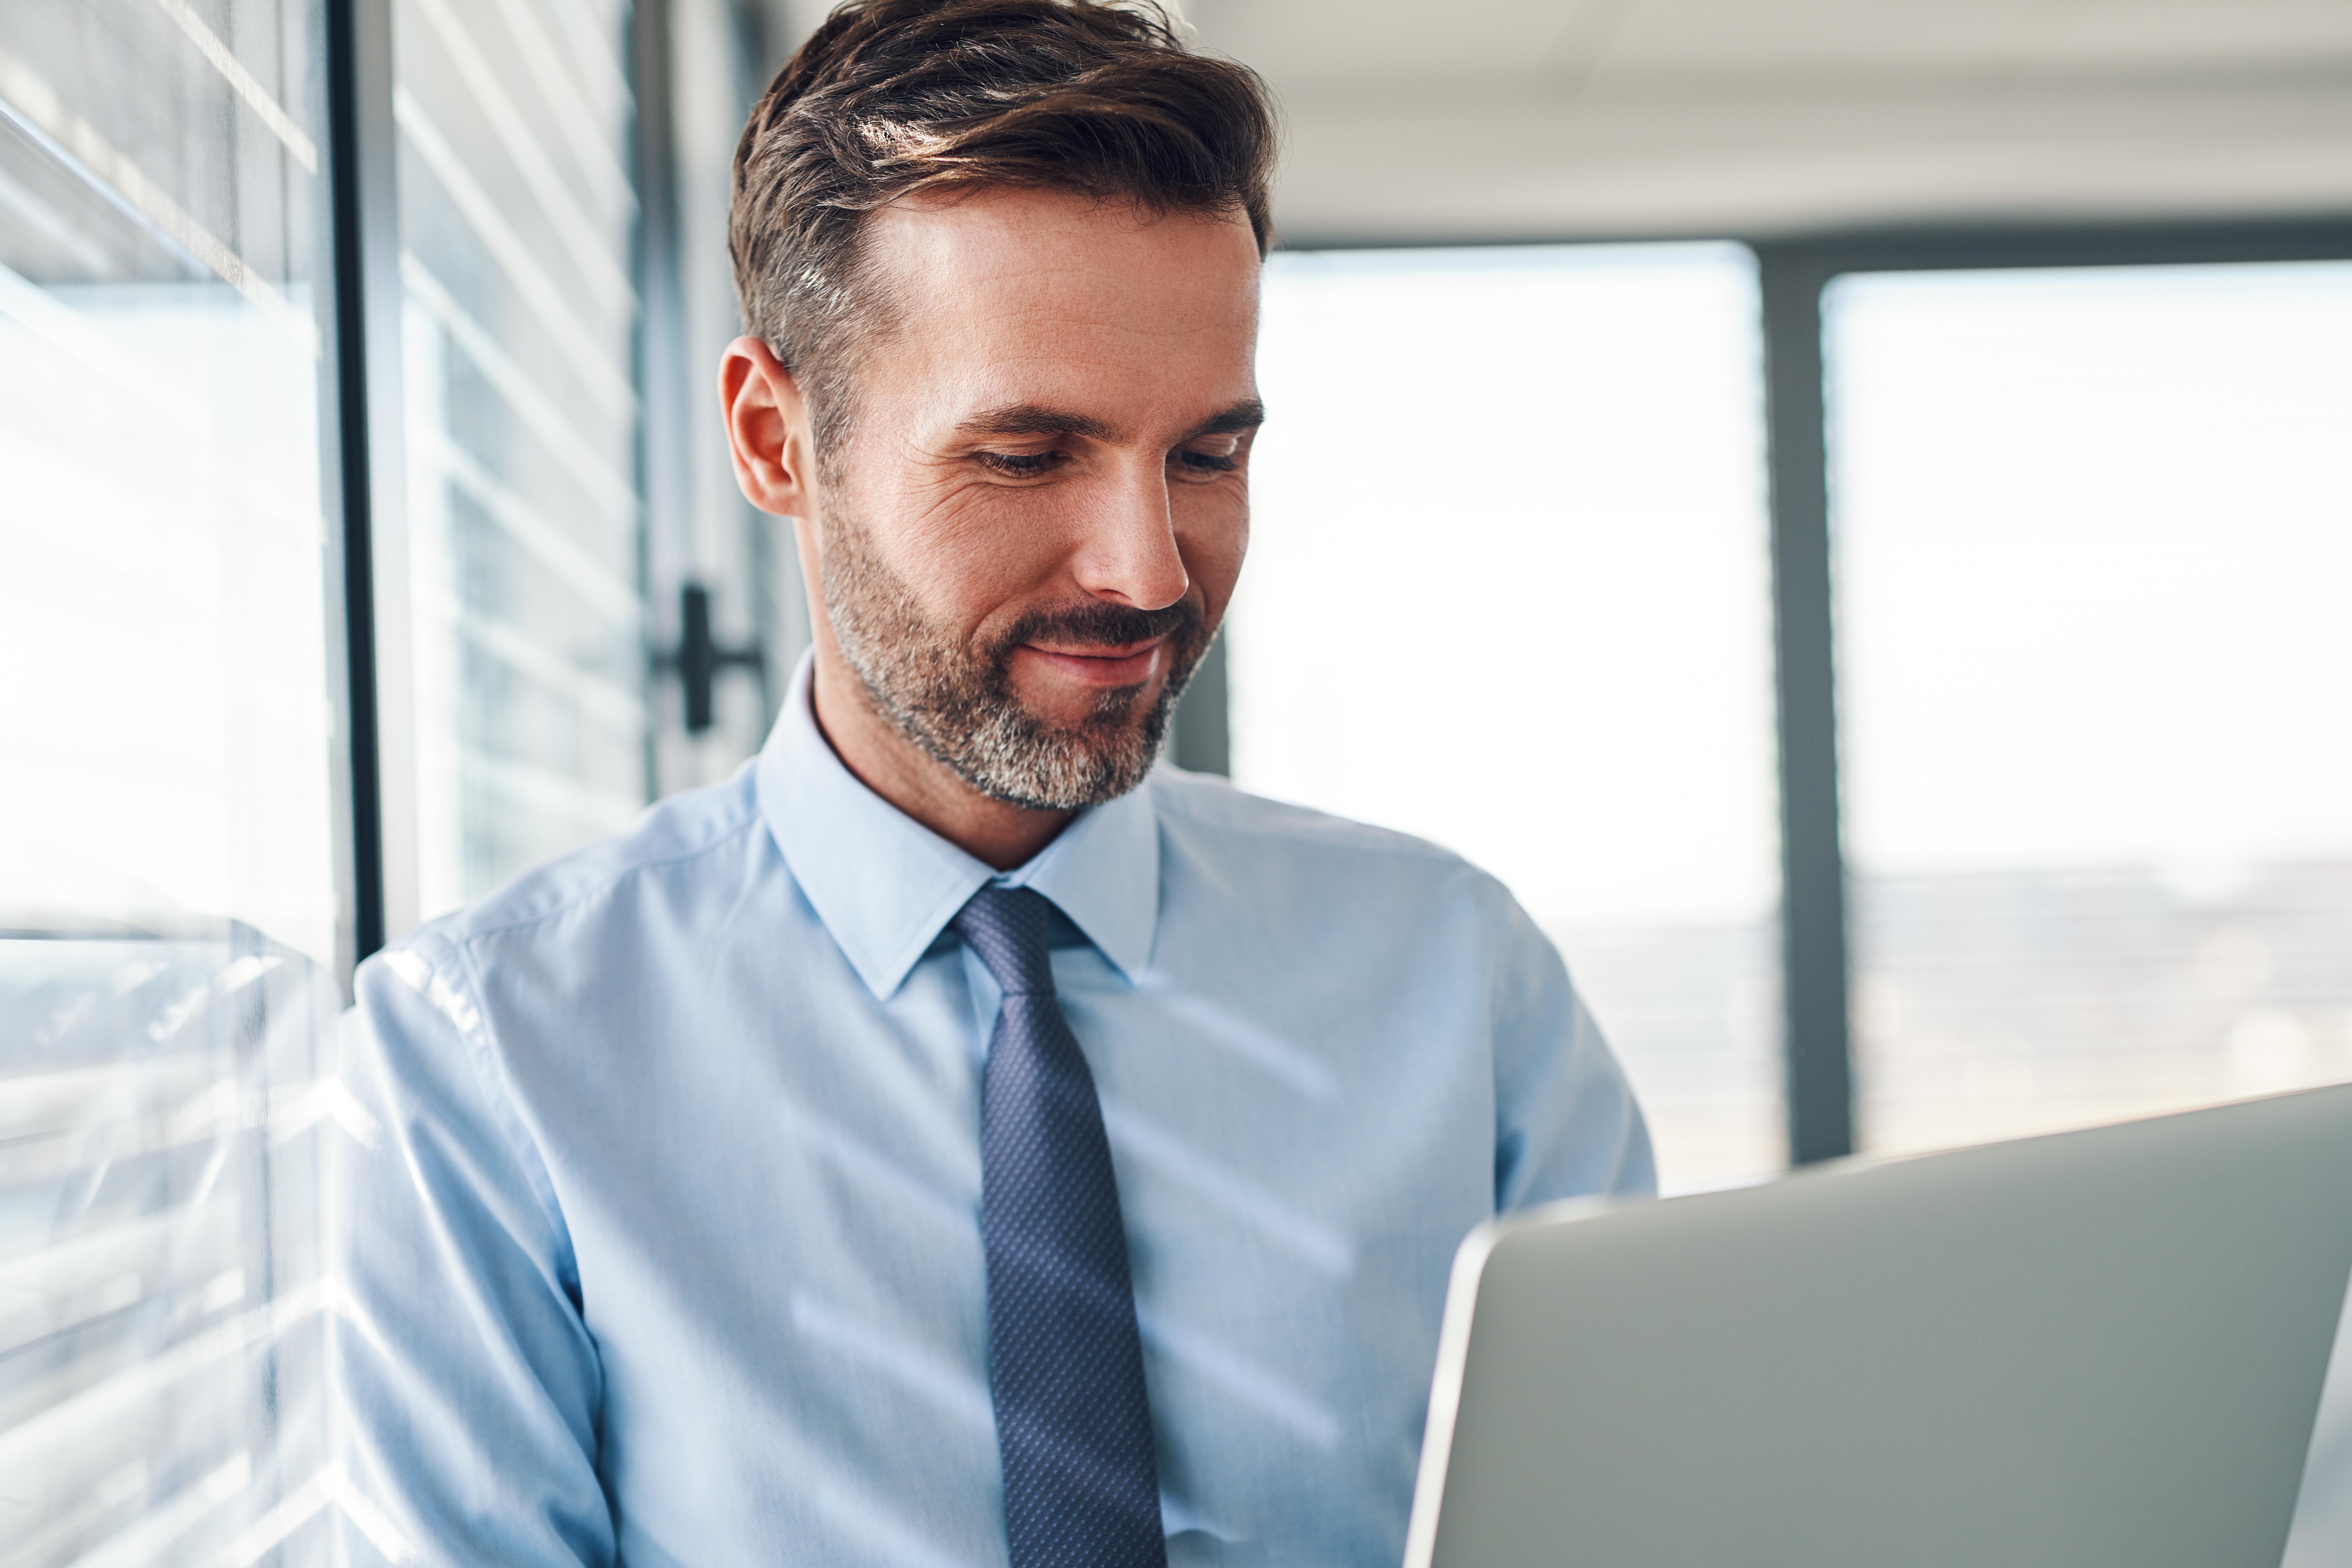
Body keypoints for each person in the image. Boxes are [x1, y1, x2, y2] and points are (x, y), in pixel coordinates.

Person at [330, 2, 1653, 1564]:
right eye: (1028, 456)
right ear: (776, 439)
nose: (1147, 569)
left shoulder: (1459, 983)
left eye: (1208, 456)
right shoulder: (491, 1066)